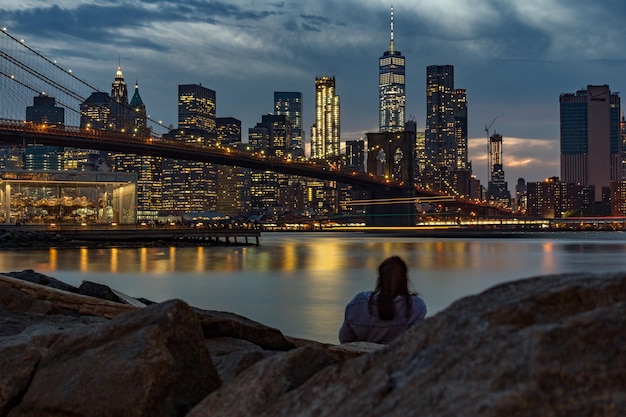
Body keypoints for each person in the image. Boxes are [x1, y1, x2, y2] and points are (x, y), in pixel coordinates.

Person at [338, 256, 426, 344]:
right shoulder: (415, 306)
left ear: (380, 278)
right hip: (398, 356)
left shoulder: (358, 303)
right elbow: (416, 342)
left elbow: (345, 339)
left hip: (364, 356)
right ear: (405, 279)